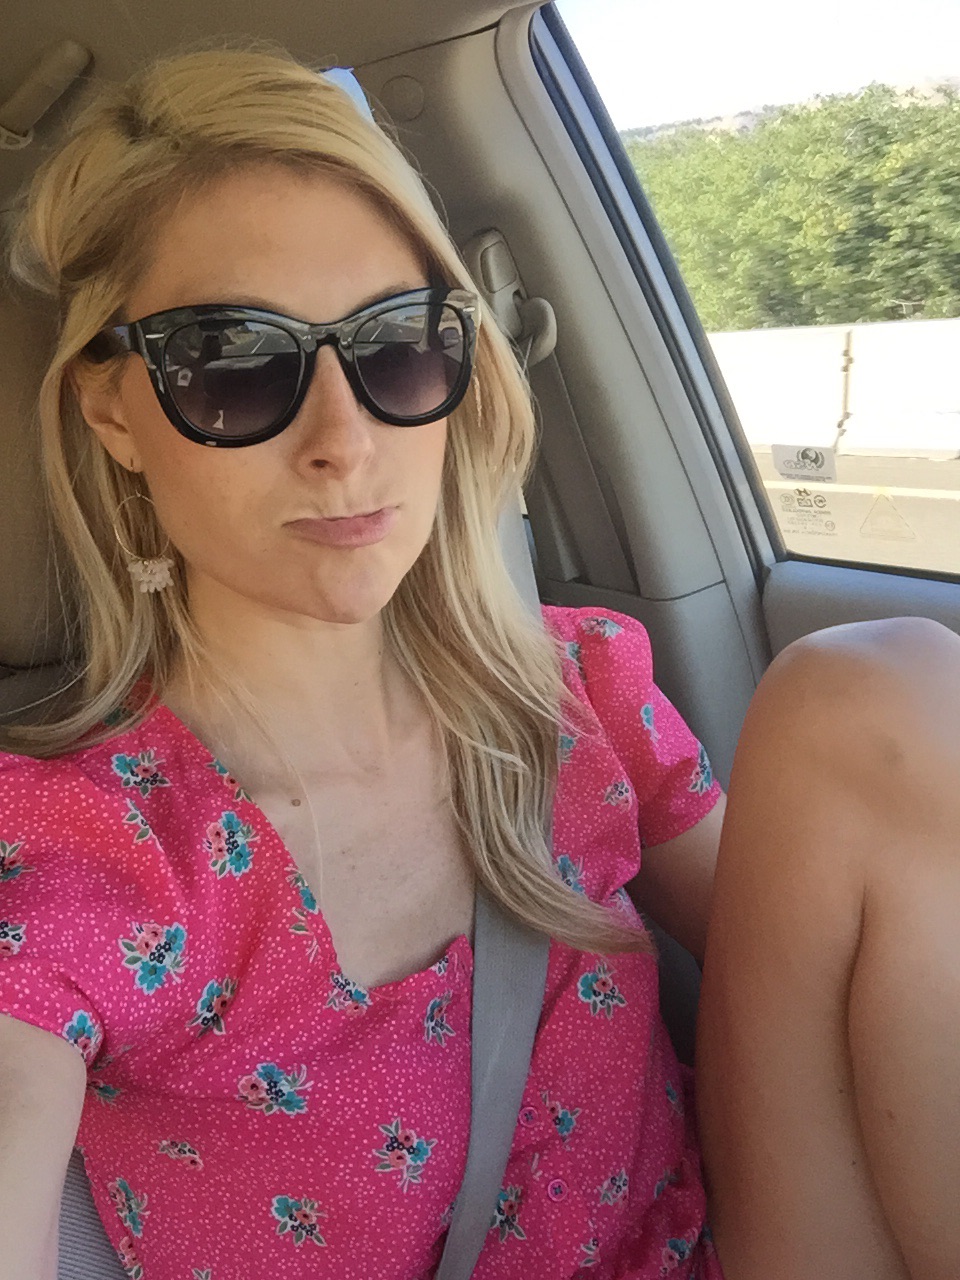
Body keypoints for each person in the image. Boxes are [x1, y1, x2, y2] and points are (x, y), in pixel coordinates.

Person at [0, 45, 956, 1280]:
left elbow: (830, 990)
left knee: (877, 686)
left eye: (397, 343)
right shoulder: (78, 847)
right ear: (112, 410)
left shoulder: (571, 692)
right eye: (234, 361)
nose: (344, 440)